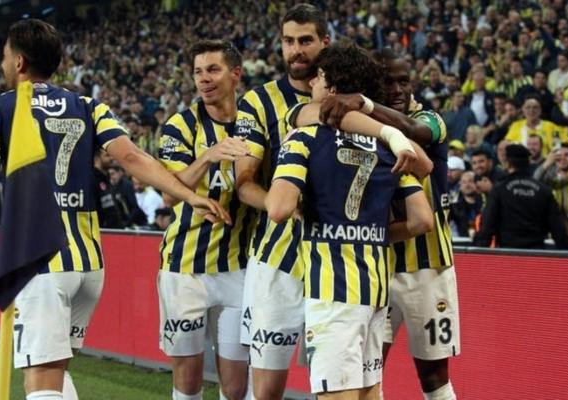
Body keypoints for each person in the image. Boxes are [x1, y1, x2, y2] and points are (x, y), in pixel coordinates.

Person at [0, 19, 227, 400]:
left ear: (19, 62)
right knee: (56, 371)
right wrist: (189, 195)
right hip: (88, 265)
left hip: (39, 263)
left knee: (40, 379)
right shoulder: (88, 105)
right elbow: (132, 157)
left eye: (4, 56)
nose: (2, 64)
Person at [265, 41, 433, 400]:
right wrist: (371, 233)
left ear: (332, 87)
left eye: (318, 77)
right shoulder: (387, 148)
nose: (311, 83)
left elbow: (278, 209)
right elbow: (421, 220)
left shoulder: (304, 137)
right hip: (375, 291)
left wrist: (296, 203)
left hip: (333, 293)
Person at [233, 5, 329, 399]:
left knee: (337, 383)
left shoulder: (353, 99)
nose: (296, 50)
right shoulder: (258, 102)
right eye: (289, 41)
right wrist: (285, 203)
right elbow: (243, 183)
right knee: (267, 389)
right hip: (278, 258)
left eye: (305, 40)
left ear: (325, 42)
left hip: (337, 259)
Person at [157, 40, 252, 400]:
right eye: (198, 72)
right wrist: (209, 156)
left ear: (235, 74)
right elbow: (169, 194)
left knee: (236, 385)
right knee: (188, 380)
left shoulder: (253, 123)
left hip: (237, 269)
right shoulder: (180, 126)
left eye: (213, 70)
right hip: (184, 270)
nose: (204, 79)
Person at [475, 144, 568, 249]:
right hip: (536, 252)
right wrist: (566, 252)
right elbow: (558, 229)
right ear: (528, 163)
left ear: (508, 163)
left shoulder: (499, 190)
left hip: (507, 252)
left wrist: (479, 251)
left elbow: (487, 226)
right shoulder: (544, 191)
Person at [534, 142, 568, 248]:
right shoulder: (549, 179)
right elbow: (534, 181)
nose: (562, 158)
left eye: (567, 155)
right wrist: (546, 164)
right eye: (559, 155)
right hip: (555, 235)